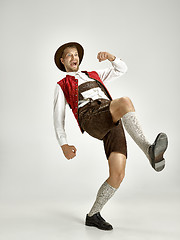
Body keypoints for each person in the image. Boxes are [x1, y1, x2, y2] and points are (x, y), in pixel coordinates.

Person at [53, 42, 168, 231]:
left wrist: (111, 57)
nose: (74, 58)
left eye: (76, 55)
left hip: (110, 116)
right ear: (62, 60)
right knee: (124, 102)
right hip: (91, 116)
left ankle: (93, 215)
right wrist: (63, 144)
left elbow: (122, 69)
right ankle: (149, 150)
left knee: (118, 175)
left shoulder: (94, 75)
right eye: (69, 55)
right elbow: (58, 118)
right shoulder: (62, 85)